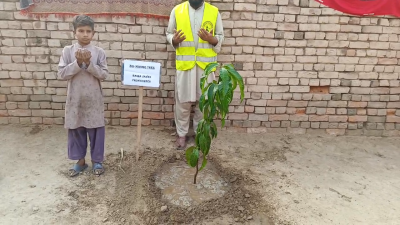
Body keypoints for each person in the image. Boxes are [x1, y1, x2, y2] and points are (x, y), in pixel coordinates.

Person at [166, 0, 224, 150]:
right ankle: (181, 135)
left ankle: (200, 134)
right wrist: (174, 40)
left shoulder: (214, 12)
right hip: (186, 67)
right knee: (183, 103)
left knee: (203, 103)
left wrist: (212, 39)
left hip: (205, 67)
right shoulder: (177, 10)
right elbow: (169, 33)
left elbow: (220, 36)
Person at [57, 15, 108, 177]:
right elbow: (62, 74)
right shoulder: (67, 51)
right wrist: (77, 64)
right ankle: (80, 161)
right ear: (74, 32)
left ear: (93, 33)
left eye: (88, 31)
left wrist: (90, 65)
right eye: (81, 30)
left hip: (93, 99)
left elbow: (104, 75)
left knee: (96, 131)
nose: (85, 34)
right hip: (75, 99)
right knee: (76, 130)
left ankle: (97, 161)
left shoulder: (99, 52)